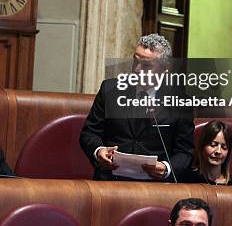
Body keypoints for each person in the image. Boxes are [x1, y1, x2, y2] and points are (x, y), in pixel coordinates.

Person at [79, 33, 194, 181]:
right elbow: (89, 133)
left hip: (155, 185)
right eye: (135, 61)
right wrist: (99, 151)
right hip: (110, 180)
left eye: (146, 65)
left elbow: (185, 152)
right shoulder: (110, 90)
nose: (137, 69)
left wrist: (166, 168)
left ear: (165, 67)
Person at [180, 120, 232, 186]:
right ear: (202, 146)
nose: (218, 151)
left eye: (224, 147)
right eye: (213, 145)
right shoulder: (187, 179)